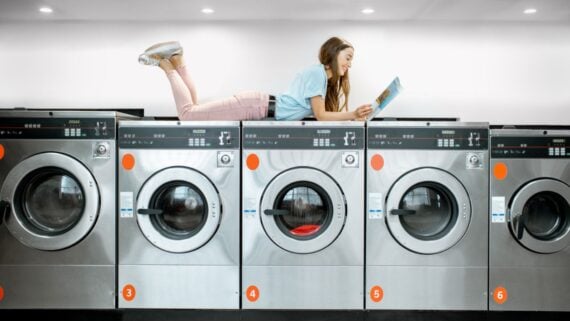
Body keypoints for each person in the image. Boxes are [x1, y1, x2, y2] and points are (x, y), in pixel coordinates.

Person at [138, 37, 372, 121]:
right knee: (188, 115)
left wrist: (352, 119)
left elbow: (324, 114)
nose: (349, 64)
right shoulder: (318, 73)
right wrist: (352, 115)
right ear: (334, 52)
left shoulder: (320, 77)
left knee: (194, 111)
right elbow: (321, 116)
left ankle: (177, 61)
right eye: (348, 57)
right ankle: (165, 63)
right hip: (255, 106)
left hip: (258, 105)